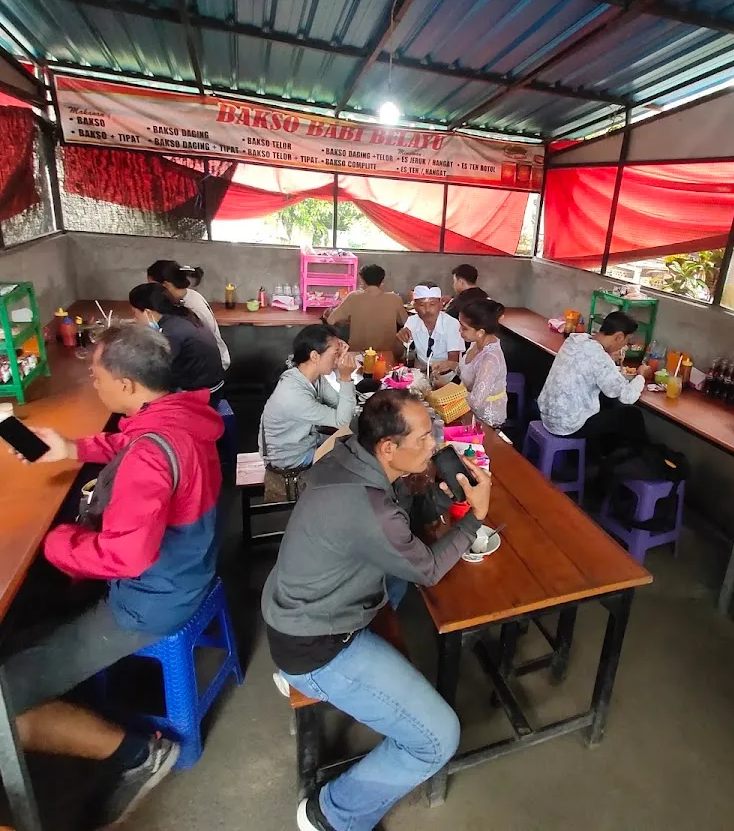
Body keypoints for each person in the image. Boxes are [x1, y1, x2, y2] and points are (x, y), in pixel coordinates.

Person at [3, 324, 222, 827]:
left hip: (151, 599)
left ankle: (139, 754)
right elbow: (130, 443)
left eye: (96, 374)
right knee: (38, 631)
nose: (92, 383)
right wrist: (72, 448)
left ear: (126, 385)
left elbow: (126, 558)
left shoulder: (150, 451)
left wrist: (55, 542)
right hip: (186, 570)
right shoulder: (181, 414)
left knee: (4, 702)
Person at [263, 389, 491, 831]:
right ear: (388, 447)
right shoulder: (368, 507)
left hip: (299, 608)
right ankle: (329, 814)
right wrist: (473, 519)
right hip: (317, 646)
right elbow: (426, 569)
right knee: (438, 738)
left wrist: (442, 498)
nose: (435, 446)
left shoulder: (348, 454)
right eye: (424, 438)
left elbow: (399, 517)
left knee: (399, 579)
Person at [537, 310, 652, 454]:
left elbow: (592, 368)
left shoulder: (575, 340)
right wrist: (641, 375)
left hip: (547, 414)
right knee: (631, 415)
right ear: (619, 337)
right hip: (566, 425)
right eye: (626, 341)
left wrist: (608, 358)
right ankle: (642, 461)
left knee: (607, 402)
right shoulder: (600, 358)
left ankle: (600, 456)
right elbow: (627, 396)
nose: (624, 347)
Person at [259, 324, 357, 475]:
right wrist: (346, 377)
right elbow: (343, 421)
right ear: (314, 356)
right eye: (336, 353)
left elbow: (340, 407)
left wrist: (338, 368)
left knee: (354, 441)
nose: (339, 357)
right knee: (354, 454)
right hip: (289, 458)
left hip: (306, 441)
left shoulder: (311, 377)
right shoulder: (293, 394)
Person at [129, 282, 225, 405]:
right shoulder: (178, 317)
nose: (135, 318)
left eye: (135, 313)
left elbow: (156, 369)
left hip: (205, 393)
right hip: (210, 383)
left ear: (148, 312)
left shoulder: (171, 332)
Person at [146, 260, 230, 371]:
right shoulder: (185, 296)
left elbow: (201, 344)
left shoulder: (192, 307)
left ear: (165, 285)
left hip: (211, 365)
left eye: (152, 286)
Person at [324, 263, 408, 351]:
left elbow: (330, 320)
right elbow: (405, 323)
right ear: (382, 281)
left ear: (362, 280)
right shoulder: (395, 298)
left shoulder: (353, 297)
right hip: (386, 354)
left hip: (357, 354)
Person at [458, 298, 508, 428]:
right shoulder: (476, 344)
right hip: (467, 409)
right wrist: (450, 366)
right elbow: (469, 372)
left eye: (464, 328)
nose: (460, 330)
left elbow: (476, 402)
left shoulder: (490, 360)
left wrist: (451, 393)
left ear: (480, 332)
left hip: (485, 420)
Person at [396, 282, 464, 378]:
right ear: (414, 306)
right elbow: (401, 353)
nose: (427, 310)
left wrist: (432, 377)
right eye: (422, 304)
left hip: (446, 378)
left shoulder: (452, 324)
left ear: (441, 305)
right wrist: (399, 340)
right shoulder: (412, 321)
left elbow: (453, 361)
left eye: (432, 304)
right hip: (420, 375)